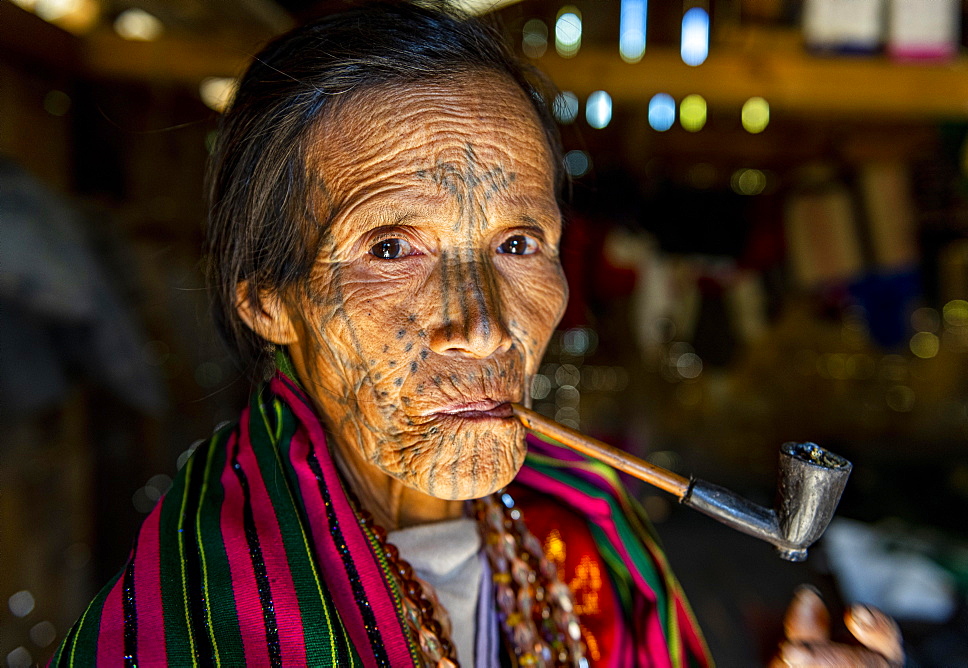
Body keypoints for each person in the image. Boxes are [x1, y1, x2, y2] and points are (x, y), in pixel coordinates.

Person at [51, 2, 899, 666]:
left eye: (518, 243)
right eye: (391, 247)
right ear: (270, 302)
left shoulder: (584, 524)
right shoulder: (197, 626)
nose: (486, 324)